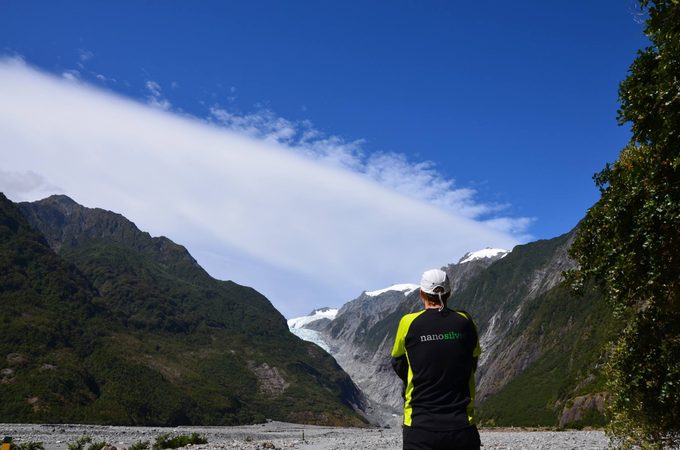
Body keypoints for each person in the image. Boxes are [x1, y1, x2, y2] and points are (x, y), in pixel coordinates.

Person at [391, 268, 481, 450]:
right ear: (449, 293)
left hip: (419, 425)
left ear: (421, 293)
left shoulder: (408, 323)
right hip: (462, 425)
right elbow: (473, 361)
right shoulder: (465, 321)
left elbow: (398, 362)